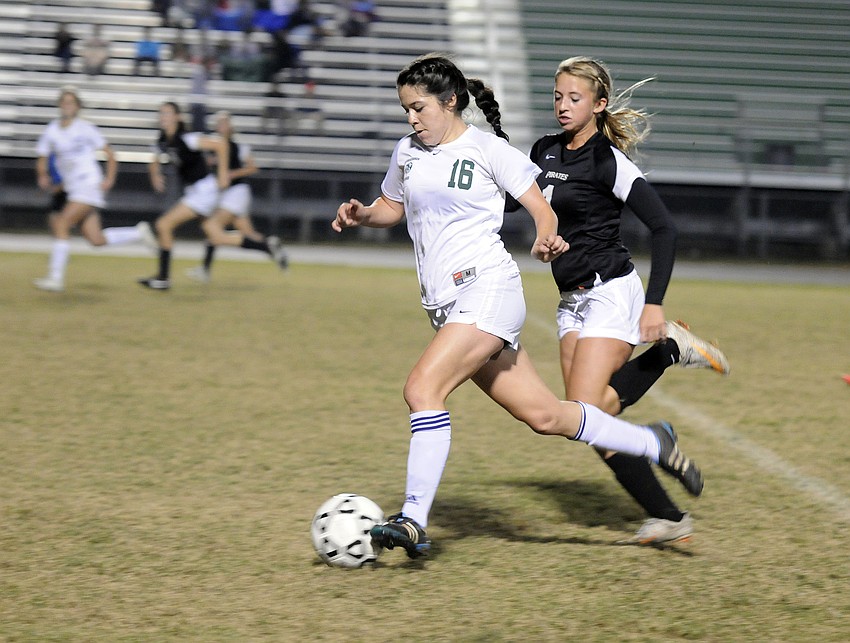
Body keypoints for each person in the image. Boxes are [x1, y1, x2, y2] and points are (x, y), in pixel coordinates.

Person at [332, 53, 704, 560]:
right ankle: (651, 444)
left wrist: (548, 238)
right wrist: (363, 214)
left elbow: (542, 209)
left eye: (419, 108)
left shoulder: (490, 150)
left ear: (450, 102)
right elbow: (392, 207)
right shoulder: (408, 151)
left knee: (422, 389)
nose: (412, 119)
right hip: (445, 305)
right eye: (406, 110)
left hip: (487, 291)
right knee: (548, 415)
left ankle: (414, 519)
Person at [514, 56, 731, 546]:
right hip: (571, 299)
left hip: (611, 290)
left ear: (599, 103)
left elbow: (665, 228)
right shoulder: (544, 150)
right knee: (591, 421)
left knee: (587, 412)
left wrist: (653, 305)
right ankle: (669, 515)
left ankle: (666, 352)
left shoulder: (606, 159)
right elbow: (518, 201)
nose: (563, 106)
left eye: (575, 98)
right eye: (557, 96)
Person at [34, 87, 156, 292]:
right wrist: (42, 175)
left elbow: (110, 154)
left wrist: (109, 178)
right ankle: (137, 232)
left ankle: (55, 279)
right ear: (59, 105)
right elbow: (42, 158)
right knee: (95, 239)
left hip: (88, 183)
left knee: (61, 224)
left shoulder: (86, 128)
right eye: (64, 101)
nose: (67, 105)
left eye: (71, 102)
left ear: (77, 107)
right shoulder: (52, 130)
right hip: (74, 188)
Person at [185, 111, 288, 283]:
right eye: (219, 123)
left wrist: (232, 173)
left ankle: (205, 270)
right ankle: (271, 246)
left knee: (213, 227)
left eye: (224, 123)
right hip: (227, 194)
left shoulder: (238, 146)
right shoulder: (214, 146)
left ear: (231, 126)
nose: (221, 126)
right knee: (247, 233)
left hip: (236, 192)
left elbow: (252, 167)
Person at [138, 101, 230, 290]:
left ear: (177, 117)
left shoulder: (187, 138)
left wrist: (222, 174)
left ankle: (163, 279)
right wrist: (155, 174)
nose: (163, 116)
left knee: (164, 225)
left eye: (167, 113)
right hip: (195, 190)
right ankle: (264, 245)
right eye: (161, 113)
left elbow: (221, 145)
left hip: (204, 189)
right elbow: (154, 161)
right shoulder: (164, 139)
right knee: (216, 235)